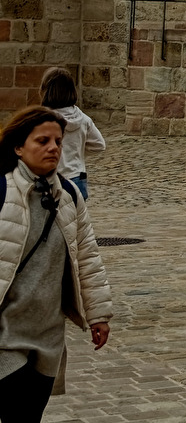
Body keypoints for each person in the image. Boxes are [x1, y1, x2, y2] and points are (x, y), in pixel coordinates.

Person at [0, 106, 112, 422]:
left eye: (58, 141)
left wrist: (98, 315)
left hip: (48, 336)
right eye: (42, 141)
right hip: (5, 335)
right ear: (19, 147)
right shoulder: (1, 191)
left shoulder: (69, 196)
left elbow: (88, 257)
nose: (53, 148)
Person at [36, 71, 103, 202]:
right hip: (77, 176)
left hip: (52, 177)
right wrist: (77, 151)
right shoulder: (83, 119)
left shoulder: (43, 119)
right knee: (76, 218)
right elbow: (99, 144)